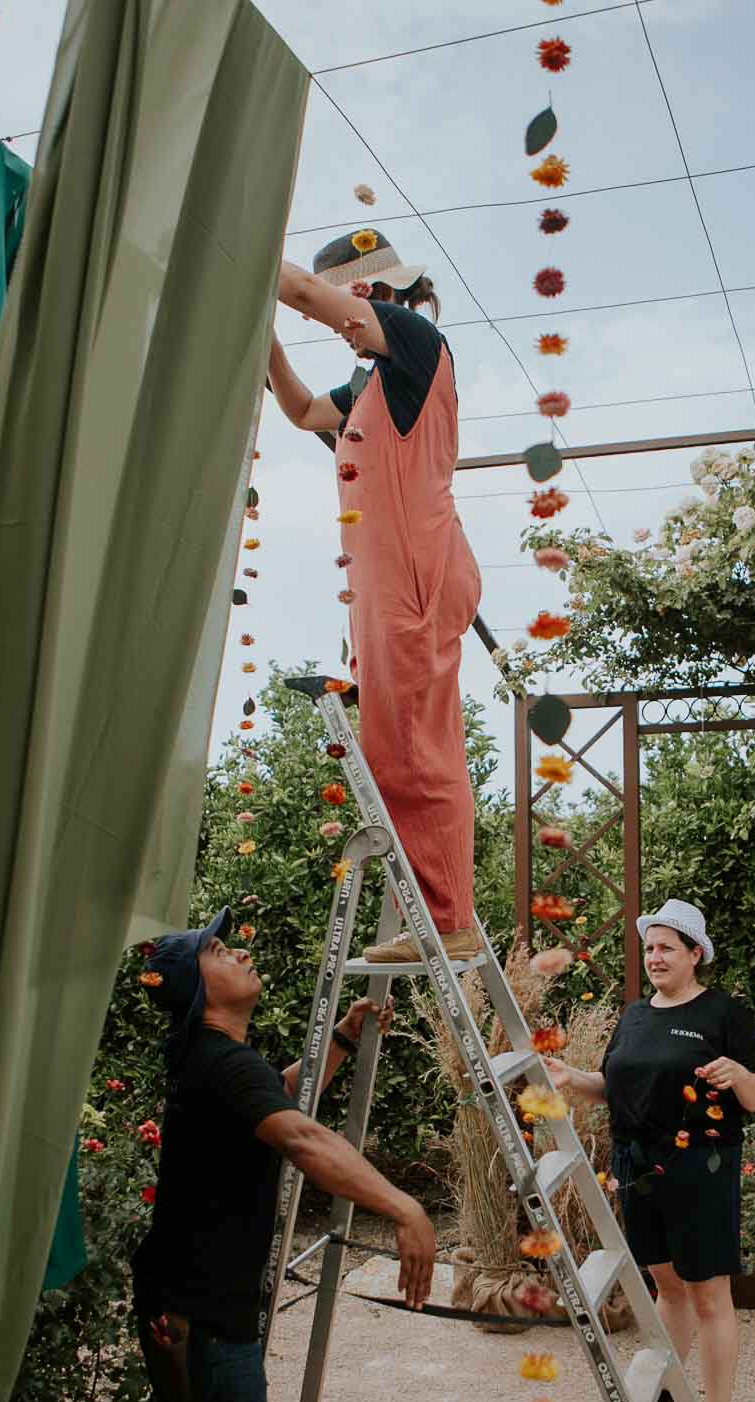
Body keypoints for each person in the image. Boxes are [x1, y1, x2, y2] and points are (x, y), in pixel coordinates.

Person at [128, 903, 436, 1402]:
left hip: (173, 1298)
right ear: (202, 987)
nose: (236, 951)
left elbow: (277, 1103)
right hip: (202, 1311)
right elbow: (300, 1137)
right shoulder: (221, 1062)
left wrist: (335, 1041)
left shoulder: (217, 1058)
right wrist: (403, 1206)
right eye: (219, 951)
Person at [267, 229, 482, 964]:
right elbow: (299, 411)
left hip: (413, 571)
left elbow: (299, 290)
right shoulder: (367, 385)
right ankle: (433, 917)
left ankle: (449, 922)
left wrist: (235, 251)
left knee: (418, 748)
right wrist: (262, 341)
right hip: (386, 578)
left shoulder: (417, 341)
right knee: (392, 747)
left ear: (369, 294)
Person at [544, 900, 755, 1402]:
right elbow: (615, 1086)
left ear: (696, 954)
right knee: (667, 1290)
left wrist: (741, 1074)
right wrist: (573, 1078)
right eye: (650, 948)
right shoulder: (635, 1015)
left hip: (702, 1168)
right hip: (638, 1168)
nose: (656, 957)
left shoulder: (724, 1014)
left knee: (710, 1295)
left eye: (668, 947)